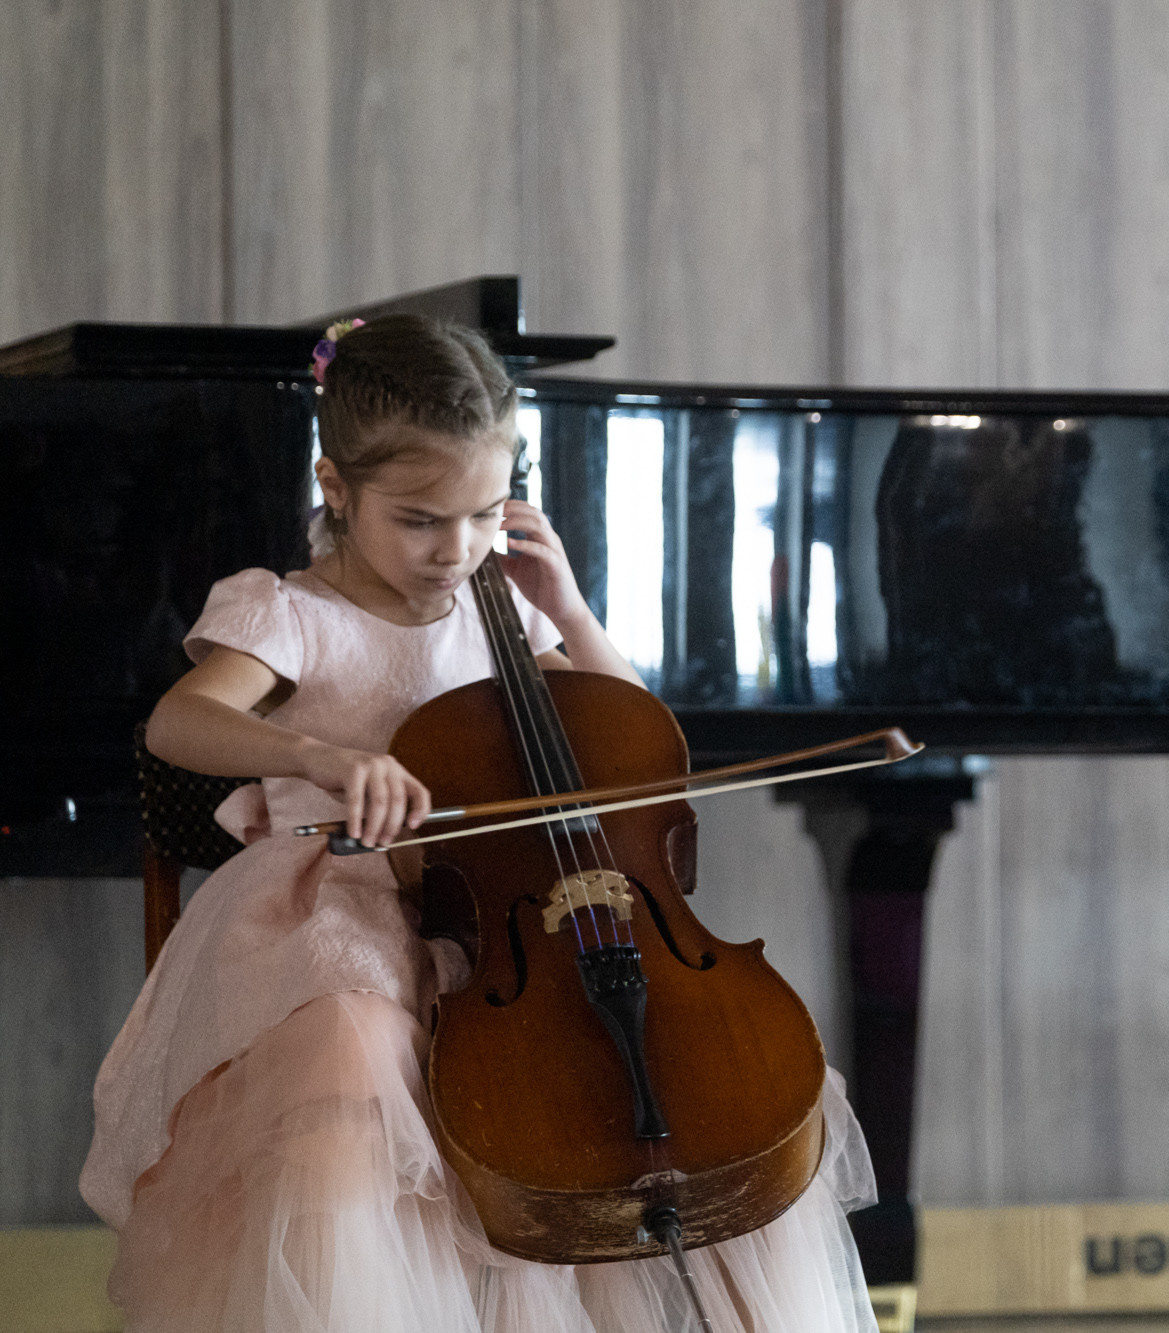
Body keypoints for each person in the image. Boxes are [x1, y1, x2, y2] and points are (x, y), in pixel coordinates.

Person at [81, 315, 880, 1332]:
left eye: (480, 514)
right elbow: (179, 722)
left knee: (679, 1073)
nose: (455, 549)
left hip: (511, 921)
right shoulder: (287, 612)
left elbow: (632, 735)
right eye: (417, 519)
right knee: (356, 1049)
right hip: (343, 906)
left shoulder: (499, 603)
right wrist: (317, 755)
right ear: (336, 489)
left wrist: (573, 611)